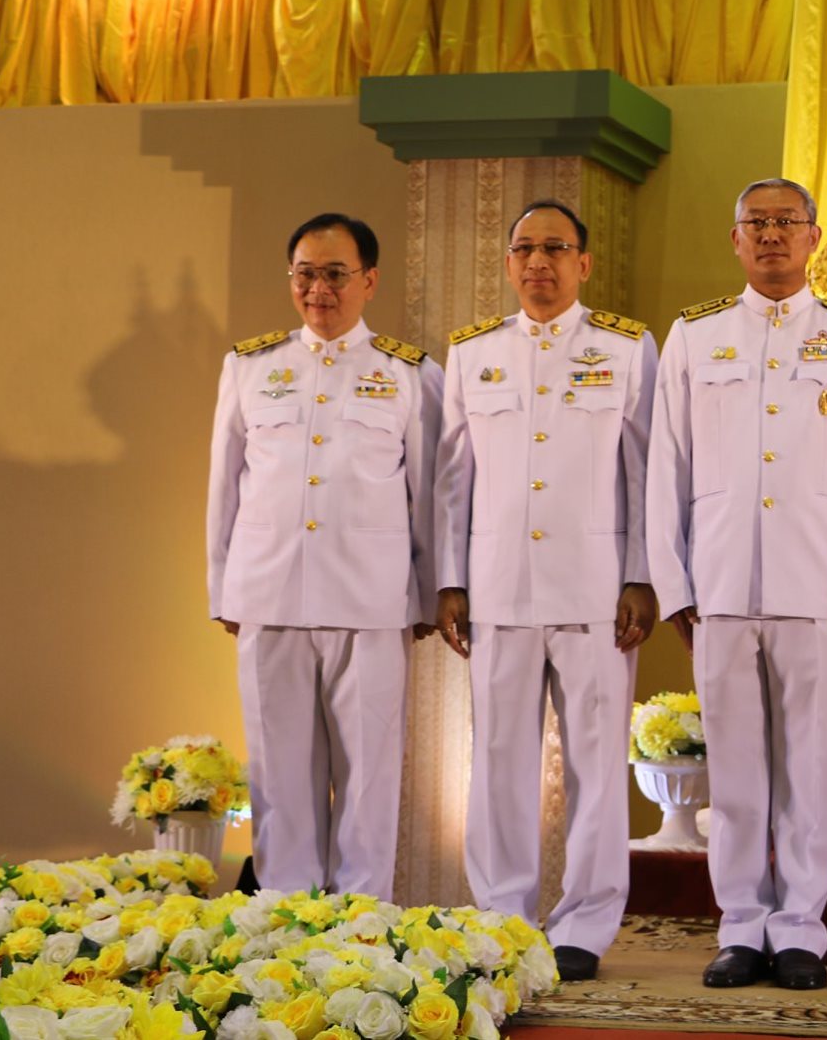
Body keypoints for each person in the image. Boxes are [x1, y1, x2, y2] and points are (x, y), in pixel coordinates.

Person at [645, 177, 827, 991]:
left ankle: (800, 930)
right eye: (758, 222)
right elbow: (667, 466)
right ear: (736, 238)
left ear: (814, 237)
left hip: (818, 583)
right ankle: (741, 924)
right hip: (719, 581)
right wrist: (675, 581)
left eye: (788, 221)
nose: (773, 235)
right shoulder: (695, 337)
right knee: (737, 769)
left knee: (814, 769)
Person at [431, 199, 657, 982]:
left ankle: (586, 924)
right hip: (498, 585)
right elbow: (453, 478)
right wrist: (450, 578)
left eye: (555, 247)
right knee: (497, 757)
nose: (538, 261)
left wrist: (642, 572)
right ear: (508, 262)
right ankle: (504, 916)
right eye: (524, 248)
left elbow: (646, 472)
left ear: (583, 263)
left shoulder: (625, 347)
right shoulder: (474, 352)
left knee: (597, 761)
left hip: (597, 588)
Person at [205, 212, 442, 899]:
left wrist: (429, 595)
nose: (318, 289)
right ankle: (284, 911)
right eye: (305, 274)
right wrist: (224, 589)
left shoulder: (408, 371)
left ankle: (360, 916)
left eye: (335, 273)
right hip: (269, 592)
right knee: (277, 773)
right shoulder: (251, 366)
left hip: (370, 600)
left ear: (369, 280)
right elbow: (224, 486)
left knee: (369, 775)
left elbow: (430, 495)